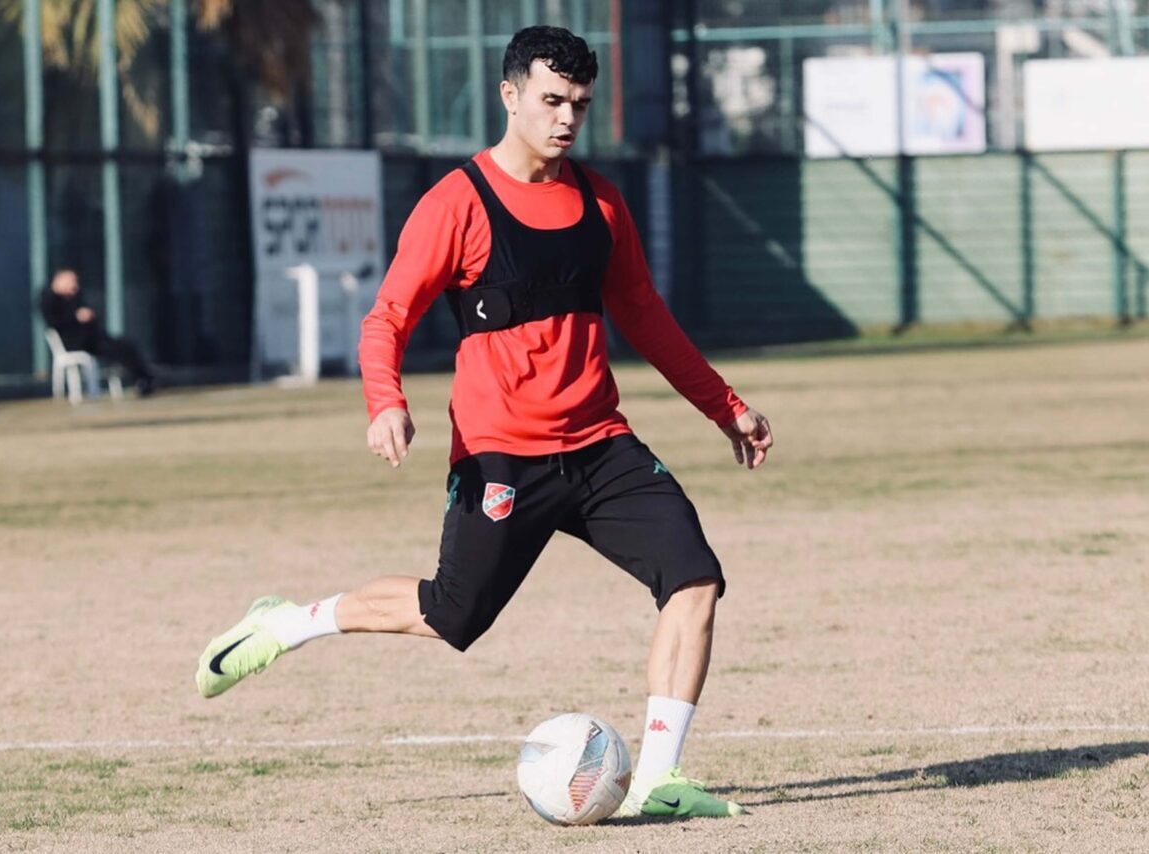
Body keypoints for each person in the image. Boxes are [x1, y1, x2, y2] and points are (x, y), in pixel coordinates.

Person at [195, 25, 773, 820]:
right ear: (510, 95)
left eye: (580, 104)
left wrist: (726, 407)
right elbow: (387, 318)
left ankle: (658, 780)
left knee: (694, 577)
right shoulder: (457, 203)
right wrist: (385, 402)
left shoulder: (602, 202)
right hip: (502, 455)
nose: (567, 118)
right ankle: (290, 623)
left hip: (600, 445)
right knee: (451, 614)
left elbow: (646, 316)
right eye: (552, 100)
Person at [39, 268, 157, 396]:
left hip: (93, 338)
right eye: (71, 280)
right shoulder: (49, 299)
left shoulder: (75, 297)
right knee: (116, 349)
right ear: (59, 280)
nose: (74, 284)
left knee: (127, 346)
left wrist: (88, 316)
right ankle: (143, 380)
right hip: (75, 342)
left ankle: (144, 379)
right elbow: (54, 322)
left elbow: (92, 318)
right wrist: (76, 317)